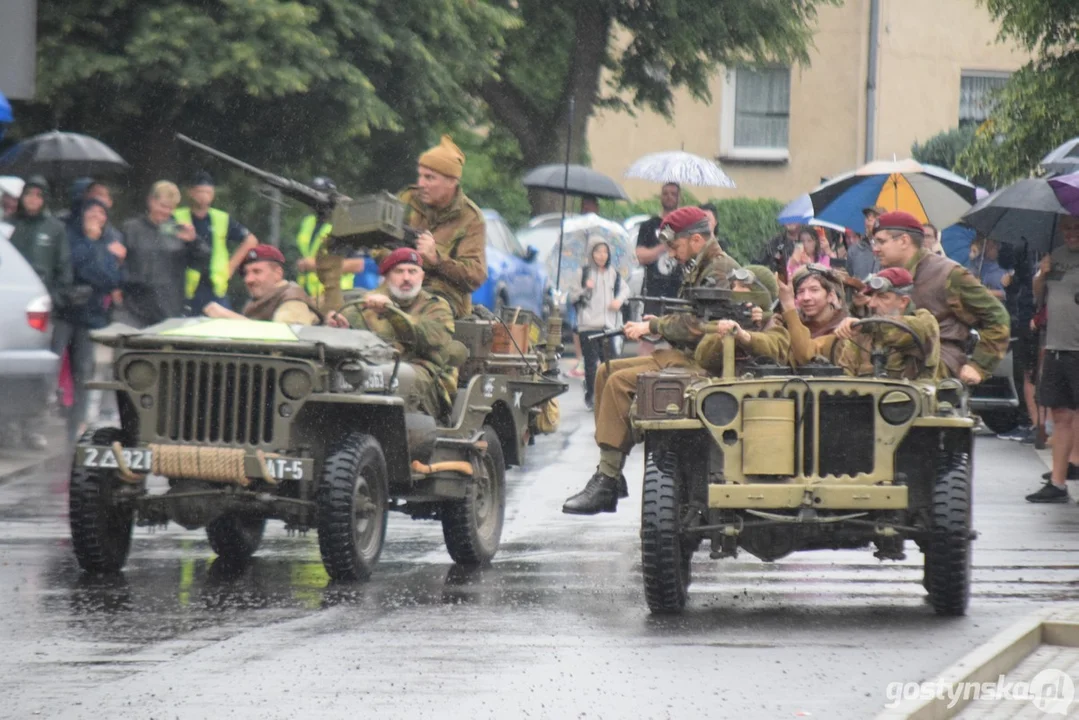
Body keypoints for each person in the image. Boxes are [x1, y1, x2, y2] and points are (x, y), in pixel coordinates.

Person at [562, 207, 739, 516]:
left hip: (705, 361)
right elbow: (695, 316)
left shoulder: (719, 269)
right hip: (687, 353)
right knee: (605, 371)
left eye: (675, 246)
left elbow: (700, 325)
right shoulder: (702, 265)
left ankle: (607, 479)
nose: (671, 253)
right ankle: (610, 474)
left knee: (619, 383)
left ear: (696, 239)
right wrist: (662, 322)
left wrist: (654, 327)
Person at [870, 210, 1009, 384]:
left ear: (904, 241)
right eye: (874, 242)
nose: (875, 249)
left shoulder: (948, 274)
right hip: (891, 359)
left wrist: (978, 366)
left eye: (881, 242)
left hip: (938, 364)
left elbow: (997, 317)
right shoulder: (886, 275)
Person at [325, 247, 457, 417]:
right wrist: (337, 327)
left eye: (412, 271)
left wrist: (391, 312)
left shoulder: (436, 306)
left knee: (394, 378)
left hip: (424, 375)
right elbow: (348, 341)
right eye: (399, 271)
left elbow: (426, 339)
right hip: (370, 370)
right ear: (386, 277)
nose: (406, 278)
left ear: (422, 276)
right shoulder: (364, 305)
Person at [373, 135, 485, 319]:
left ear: (451, 182)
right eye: (421, 176)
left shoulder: (470, 218)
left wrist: (437, 261)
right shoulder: (407, 200)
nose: (421, 184)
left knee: (423, 314)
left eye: (430, 178)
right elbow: (379, 246)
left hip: (445, 297)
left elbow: (474, 276)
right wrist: (401, 259)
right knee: (361, 309)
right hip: (399, 286)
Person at [53, 198, 124, 443]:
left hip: (89, 316)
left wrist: (98, 252)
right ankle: (48, 413)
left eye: (101, 213)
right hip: (64, 312)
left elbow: (111, 279)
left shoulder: (109, 242)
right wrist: (95, 250)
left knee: (83, 372)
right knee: (53, 363)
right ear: (83, 214)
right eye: (92, 211)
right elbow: (72, 264)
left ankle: (75, 426)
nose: (97, 217)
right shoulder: (71, 236)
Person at [1025, 216, 1079, 503]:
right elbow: (1039, 297)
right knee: (1060, 415)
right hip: (1057, 345)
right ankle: (1058, 483)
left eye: (1077, 228)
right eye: (1067, 228)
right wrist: (1042, 275)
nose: (1071, 233)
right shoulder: (1055, 257)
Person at [115, 181, 208, 328]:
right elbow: (117, 263)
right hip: (134, 308)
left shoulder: (178, 230)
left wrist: (193, 241)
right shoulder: (131, 228)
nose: (166, 212)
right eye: (163, 206)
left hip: (169, 308)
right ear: (151, 201)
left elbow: (201, 261)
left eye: (171, 208)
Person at [830, 267, 943, 381]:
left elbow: (910, 328)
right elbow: (845, 379)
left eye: (882, 297)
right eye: (871, 296)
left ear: (903, 302)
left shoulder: (925, 322)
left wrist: (863, 325)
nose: (872, 304)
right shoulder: (861, 335)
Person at [174, 171, 259, 316]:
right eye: (200, 191)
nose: (204, 196)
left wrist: (231, 267)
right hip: (183, 286)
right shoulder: (177, 216)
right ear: (190, 192)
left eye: (208, 192)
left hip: (214, 285)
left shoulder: (221, 218)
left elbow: (251, 240)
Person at [567, 234, 630, 410]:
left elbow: (625, 290)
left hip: (608, 326)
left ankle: (612, 394)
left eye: (604, 252)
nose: (601, 256)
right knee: (591, 364)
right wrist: (585, 289)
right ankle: (592, 395)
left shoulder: (613, 274)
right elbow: (572, 296)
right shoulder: (583, 273)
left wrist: (618, 301)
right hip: (588, 325)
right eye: (597, 252)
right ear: (591, 254)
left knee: (611, 362)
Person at [694, 266, 791, 374]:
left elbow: (776, 349)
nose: (735, 290)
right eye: (734, 286)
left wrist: (745, 336)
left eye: (743, 286)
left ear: (761, 294)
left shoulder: (773, 324)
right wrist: (721, 337)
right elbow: (702, 358)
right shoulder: (726, 319)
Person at [286, 176, 365, 302]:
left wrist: (316, 265)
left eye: (320, 194)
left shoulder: (345, 223)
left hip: (336, 295)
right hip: (307, 294)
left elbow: (357, 265)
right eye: (312, 194)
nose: (316, 200)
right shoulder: (308, 222)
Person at [203, 245, 321, 325]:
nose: (248, 279)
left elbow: (284, 340)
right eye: (246, 273)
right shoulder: (260, 301)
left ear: (278, 273)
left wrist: (230, 318)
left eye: (257, 272)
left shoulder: (292, 298)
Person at [8, 176, 72, 312]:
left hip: (42, 296)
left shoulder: (55, 228)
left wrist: (56, 297)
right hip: (11, 293)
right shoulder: (8, 224)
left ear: (45, 199)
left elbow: (64, 265)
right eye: (29, 194)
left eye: (38, 195)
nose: (33, 199)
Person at [776, 264, 850, 366]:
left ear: (830, 296)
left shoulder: (845, 327)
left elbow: (806, 356)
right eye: (800, 291)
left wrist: (788, 305)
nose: (806, 297)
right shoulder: (791, 323)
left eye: (814, 290)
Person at [635, 182, 683, 332]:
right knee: (647, 332)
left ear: (679, 198)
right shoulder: (648, 226)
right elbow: (640, 256)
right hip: (653, 289)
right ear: (660, 196)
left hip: (677, 289)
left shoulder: (684, 226)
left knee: (675, 333)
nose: (669, 197)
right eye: (666, 193)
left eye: (673, 194)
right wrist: (662, 247)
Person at [967, 237, 1011, 301]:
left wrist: (982, 291)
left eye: (994, 245)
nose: (988, 247)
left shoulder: (1002, 270)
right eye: (986, 243)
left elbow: (1004, 294)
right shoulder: (977, 262)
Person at [847, 206, 883, 280]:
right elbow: (850, 275)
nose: (869, 219)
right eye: (867, 216)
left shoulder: (890, 250)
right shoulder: (854, 249)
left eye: (875, 216)